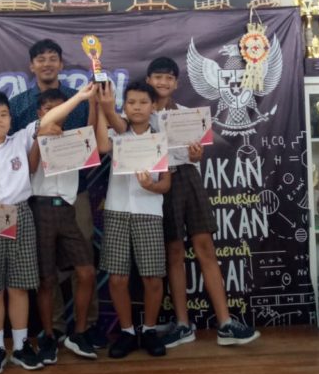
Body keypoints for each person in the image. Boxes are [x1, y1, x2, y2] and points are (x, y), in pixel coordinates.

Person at [0, 86, 94, 374]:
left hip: (21, 217)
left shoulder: (21, 139)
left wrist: (80, 98)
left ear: (11, 118)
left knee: (19, 287)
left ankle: (20, 347)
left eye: (3, 114)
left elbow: (49, 118)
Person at [144, 57, 260, 348]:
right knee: (173, 252)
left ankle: (225, 323)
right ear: (148, 80)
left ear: (176, 83)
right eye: (158, 77)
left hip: (189, 177)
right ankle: (183, 325)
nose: (163, 82)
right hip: (161, 181)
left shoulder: (189, 114)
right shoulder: (141, 114)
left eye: (169, 78)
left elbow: (198, 154)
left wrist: (197, 155)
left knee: (205, 247)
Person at [8, 39, 104, 348]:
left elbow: (92, 140)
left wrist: (93, 103)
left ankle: (86, 326)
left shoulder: (77, 100)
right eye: (41, 59)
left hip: (76, 193)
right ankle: (56, 328)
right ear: (31, 66)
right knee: (46, 267)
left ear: (61, 64)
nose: (47, 64)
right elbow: (12, 151)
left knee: (83, 260)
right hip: (36, 197)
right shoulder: (19, 105)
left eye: (53, 58)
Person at [95, 80, 170, 358]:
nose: (137, 107)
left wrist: (151, 186)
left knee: (152, 277)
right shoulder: (118, 133)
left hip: (149, 212)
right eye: (131, 102)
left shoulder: (161, 138)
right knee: (117, 278)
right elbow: (101, 146)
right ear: (124, 106)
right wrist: (102, 108)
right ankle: (127, 332)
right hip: (117, 211)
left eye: (143, 102)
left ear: (153, 107)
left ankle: (148, 330)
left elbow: (166, 184)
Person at [26, 89, 98, 363]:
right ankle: (48, 336)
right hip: (40, 208)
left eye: (61, 108)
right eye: (48, 109)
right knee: (46, 279)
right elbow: (30, 168)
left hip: (68, 209)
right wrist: (38, 138)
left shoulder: (74, 137)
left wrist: (93, 103)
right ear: (39, 112)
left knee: (86, 272)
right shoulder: (29, 133)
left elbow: (92, 135)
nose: (55, 113)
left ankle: (78, 333)